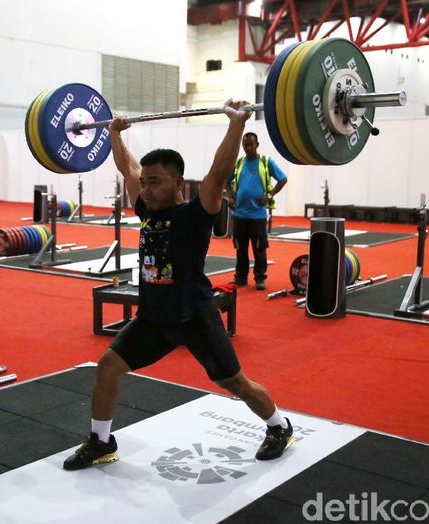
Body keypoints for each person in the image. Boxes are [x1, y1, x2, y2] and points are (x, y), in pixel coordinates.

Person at [63, 100, 294, 471]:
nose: (146, 188)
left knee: (236, 383)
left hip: (194, 315)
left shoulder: (195, 215)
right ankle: (101, 442)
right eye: (145, 183)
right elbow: (128, 168)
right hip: (153, 318)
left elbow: (218, 174)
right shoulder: (147, 209)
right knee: (107, 366)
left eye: (155, 182)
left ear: (177, 182)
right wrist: (114, 134)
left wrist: (235, 124)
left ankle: (279, 426)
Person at [227, 132, 287, 290]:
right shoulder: (239, 163)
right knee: (240, 248)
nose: (248, 147)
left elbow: (283, 179)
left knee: (259, 248)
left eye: (251, 144)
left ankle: (260, 278)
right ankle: (240, 277)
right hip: (239, 215)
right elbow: (226, 182)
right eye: (245, 145)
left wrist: (269, 195)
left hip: (258, 215)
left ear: (257, 145)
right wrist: (231, 197)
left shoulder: (266, 162)